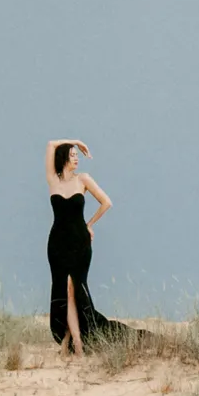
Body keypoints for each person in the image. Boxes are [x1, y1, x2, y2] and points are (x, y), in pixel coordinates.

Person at [45, 139, 133, 352]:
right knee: (62, 290)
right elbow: (50, 144)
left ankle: (78, 343)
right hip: (57, 242)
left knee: (75, 288)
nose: (77, 158)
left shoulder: (83, 179)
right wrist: (74, 141)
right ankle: (69, 342)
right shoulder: (53, 181)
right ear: (63, 157)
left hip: (79, 241)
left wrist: (89, 224)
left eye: (77, 155)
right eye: (73, 155)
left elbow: (106, 202)